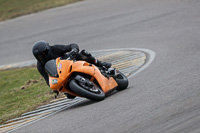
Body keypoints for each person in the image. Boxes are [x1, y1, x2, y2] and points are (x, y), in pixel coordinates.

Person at [32, 40, 111, 99]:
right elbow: (47, 79)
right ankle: (84, 89)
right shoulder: (40, 66)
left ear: (48, 50)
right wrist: (55, 89)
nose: (41, 57)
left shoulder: (55, 48)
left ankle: (100, 63)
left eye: (42, 54)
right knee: (70, 95)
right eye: (38, 56)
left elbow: (72, 45)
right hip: (62, 75)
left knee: (83, 54)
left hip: (71, 62)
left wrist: (74, 50)